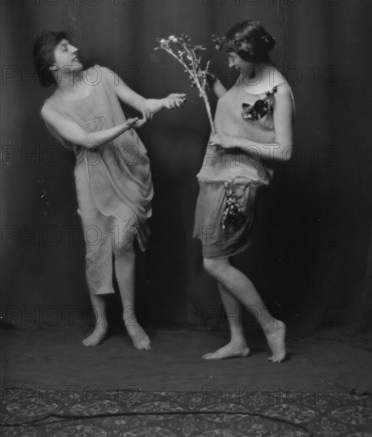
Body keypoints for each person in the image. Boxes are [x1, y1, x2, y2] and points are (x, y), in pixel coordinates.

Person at [34, 31, 186, 349]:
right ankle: (102, 322)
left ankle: (130, 319)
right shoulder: (51, 109)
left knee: (121, 242)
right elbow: (87, 141)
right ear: (52, 65)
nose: (75, 49)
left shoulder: (102, 75)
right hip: (90, 178)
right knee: (95, 250)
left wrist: (161, 102)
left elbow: (142, 103)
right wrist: (125, 126)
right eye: (65, 48)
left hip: (126, 166)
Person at [193, 20, 294, 363]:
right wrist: (219, 90)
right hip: (217, 173)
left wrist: (234, 141)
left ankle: (271, 325)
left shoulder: (278, 90)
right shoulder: (248, 76)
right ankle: (238, 340)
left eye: (234, 57)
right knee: (223, 258)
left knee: (214, 262)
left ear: (251, 54)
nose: (231, 63)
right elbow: (245, 115)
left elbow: (284, 150)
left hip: (239, 181)